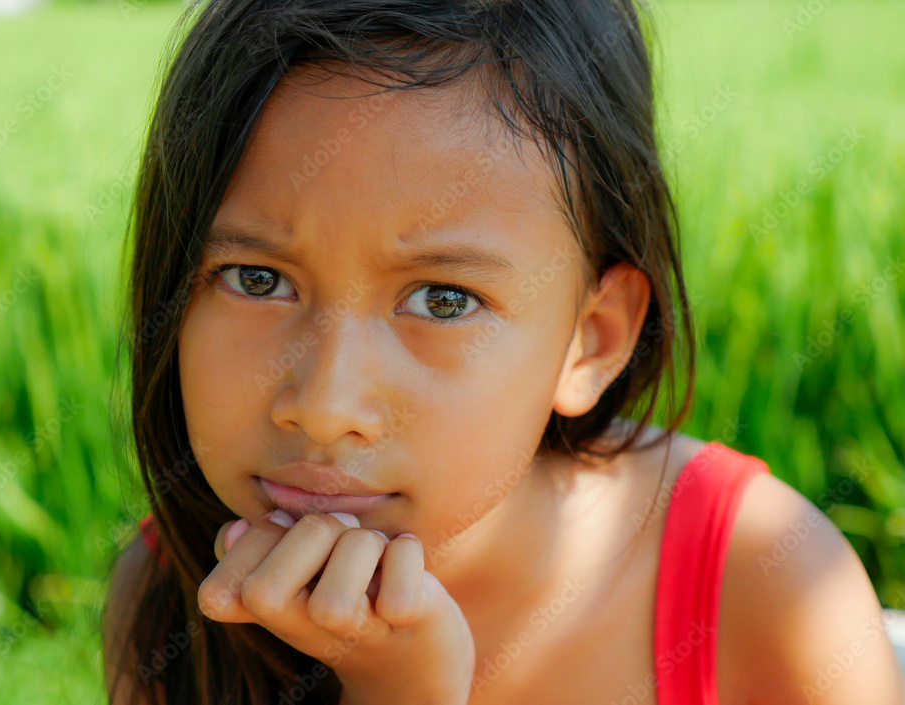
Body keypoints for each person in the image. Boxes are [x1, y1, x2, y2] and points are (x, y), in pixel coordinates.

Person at [101, 1, 905, 703]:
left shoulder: (766, 587)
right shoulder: (177, 602)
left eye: (443, 300)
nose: (324, 405)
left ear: (592, 338)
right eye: (256, 277)